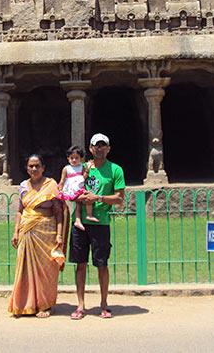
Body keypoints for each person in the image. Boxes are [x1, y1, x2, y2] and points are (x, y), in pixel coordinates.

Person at [69, 133, 125, 320]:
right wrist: (77, 196)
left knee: (102, 264)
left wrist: (98, 198)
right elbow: (70, 187)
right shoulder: (83, 167)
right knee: (80, 264)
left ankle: (103, 303)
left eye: (103, 146)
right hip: (80, 222)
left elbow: (119, 199)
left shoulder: (115, 170)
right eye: (96, 146)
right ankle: (80, 305)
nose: (99, 149)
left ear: (108, 148)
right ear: (91, 149)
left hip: (101, 222)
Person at [8, 154, 66, 318]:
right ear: (27, 168)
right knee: (24, 267)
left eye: (37, 166)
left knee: (46, 270)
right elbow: (20, 210)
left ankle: (44, 305)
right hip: (26, 230)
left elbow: (58, 212)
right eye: (31, 166)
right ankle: (25, 304)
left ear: (43, 168)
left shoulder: (51, 184)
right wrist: (16, 231)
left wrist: (60, 235)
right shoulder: (23, 186)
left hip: (46, 231)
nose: (34, 169)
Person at [58, 145, 97, 231]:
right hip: (70, 190)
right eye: (72, 158)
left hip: (79, 188)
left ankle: (88, 215)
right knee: (76, 205)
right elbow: (62, 180)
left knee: (87, 198)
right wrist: (60, 189)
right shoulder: (66, 169)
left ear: (81, 158)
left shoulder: (81, 167)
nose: (74, 160)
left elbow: (84, 176)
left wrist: (87, 169)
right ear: (68, 158)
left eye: (76, 158)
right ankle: (77, 220)